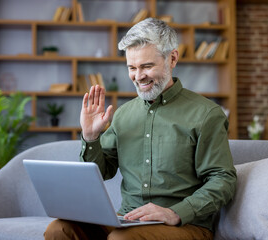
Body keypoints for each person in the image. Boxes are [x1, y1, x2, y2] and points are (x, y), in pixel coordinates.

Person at [44, 17, 237, 240]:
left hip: (185, 225)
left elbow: (223, 180)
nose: (138, 76)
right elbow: (101, 171)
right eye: (132, 68)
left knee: (121, 239)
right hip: (127, 219)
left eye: (147, 66)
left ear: (172, 58)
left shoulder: (206, 114)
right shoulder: (124, 115)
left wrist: (175, 212)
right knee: (59, 229)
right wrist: (90, 136)